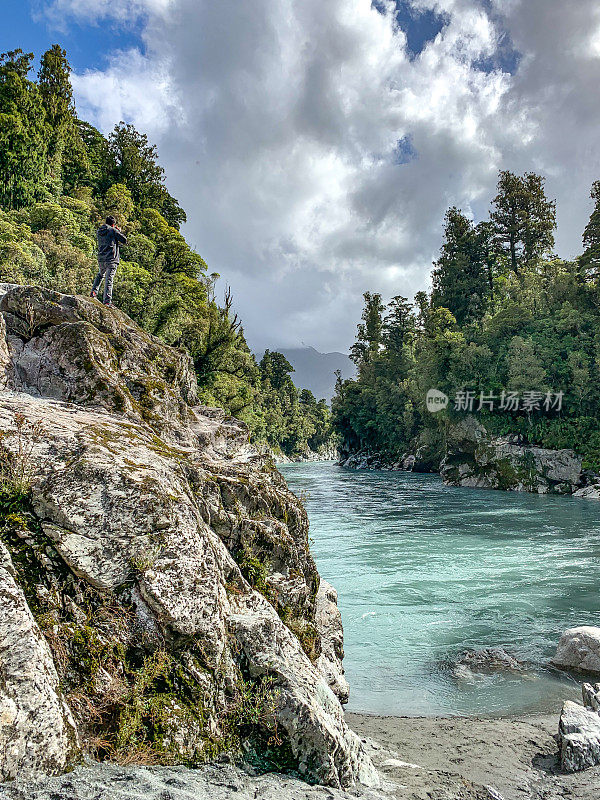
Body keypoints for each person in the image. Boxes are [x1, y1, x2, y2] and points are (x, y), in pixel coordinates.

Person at [90, 216, 127, 307]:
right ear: (113, 224)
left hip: (101, 258)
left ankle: (94, 292)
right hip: (111, 259)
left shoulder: (99, 231)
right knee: (109, 279)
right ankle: (107, 301)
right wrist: (118, 231)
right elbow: (124, 240)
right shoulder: (113, 231)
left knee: (100, 275)